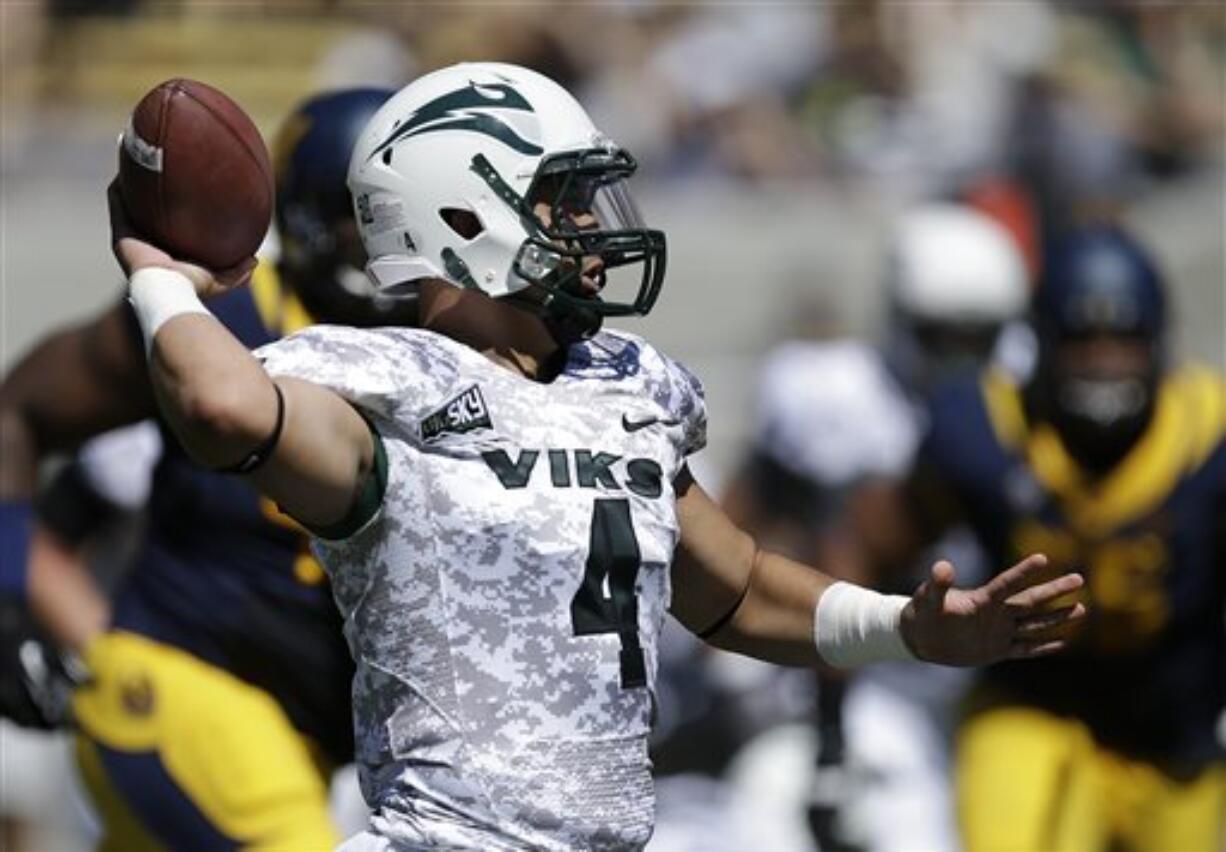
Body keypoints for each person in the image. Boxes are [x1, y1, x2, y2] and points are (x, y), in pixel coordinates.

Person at [110, 62, 1085, 852]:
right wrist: (160, 279)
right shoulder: (387, 389)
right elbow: (223, 406)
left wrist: (904, 629)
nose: (590, 231)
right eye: (563, 204)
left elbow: (734, 590)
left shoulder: (623, 387)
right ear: (461, 218)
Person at [0, 87, 408, 850]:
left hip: (308, 744)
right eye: (365, 215)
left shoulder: (450, 347)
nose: (387, 244)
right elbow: (16, 412)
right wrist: (6, 589)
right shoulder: (219, 319)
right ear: (312, 213)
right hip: (187, 685)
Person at [862, 223, 1225, 852]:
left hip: (1176, 740)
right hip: (1031, 707)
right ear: (1044, 344)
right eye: (1083, 340)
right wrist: (833, 718)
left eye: (1125, 339)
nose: (1105, 361)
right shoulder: (982, 429)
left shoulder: (1209, 437)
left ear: (1161, 344)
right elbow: (869, 546)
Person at [722, 203, 1031, 852]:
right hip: (865, 668)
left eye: (978, 337)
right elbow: (742, 521)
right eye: (942, 336)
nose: (962, 359)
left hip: (992, 669)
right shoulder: (828, 389)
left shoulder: (1027, 390)